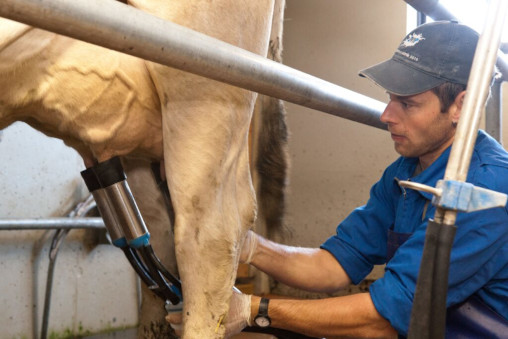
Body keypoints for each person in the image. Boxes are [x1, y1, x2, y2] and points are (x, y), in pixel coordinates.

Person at [168, 20, 508, 338]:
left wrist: (254, 309)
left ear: (461, 105)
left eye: (407, 103)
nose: (386, 115)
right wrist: (248, 246)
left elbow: (384, 316)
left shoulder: (486, 188)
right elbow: (334, 265)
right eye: (390, 99)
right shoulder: (405, 173)